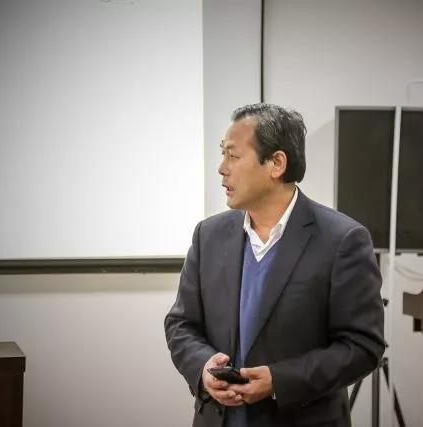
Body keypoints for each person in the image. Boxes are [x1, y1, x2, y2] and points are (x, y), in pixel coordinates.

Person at [164, 103, 385, 427]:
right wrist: (203, 367)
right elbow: (181, 324)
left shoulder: (342, 240)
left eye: (233, 155)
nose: (222, 168)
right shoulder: (208, 235)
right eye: (222, 154)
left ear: (277, 163)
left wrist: (279, 381)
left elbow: (363, 346)